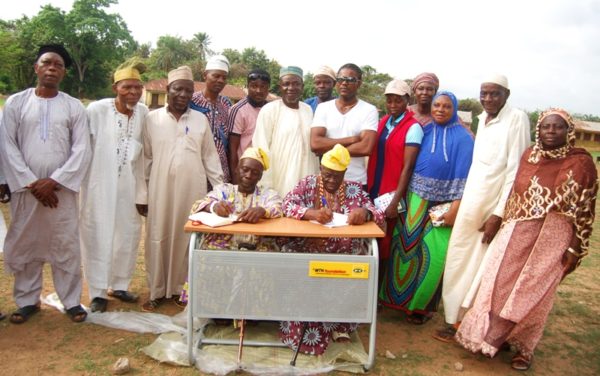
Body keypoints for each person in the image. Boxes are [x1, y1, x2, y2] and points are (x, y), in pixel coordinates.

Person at [456, 109, 597, 371]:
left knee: (535, 292)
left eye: (558, 127)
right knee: (500, 285)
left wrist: (575, 247)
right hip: (518, 231)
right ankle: (491, 339)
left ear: (569, 132)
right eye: (546, 127)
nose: (551, 132)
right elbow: (515, 194)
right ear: (538, 130)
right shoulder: (529, 155)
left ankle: (524, 347)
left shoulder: (582, 163)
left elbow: (585, 209)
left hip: (555, 236)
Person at [434, 74, 530, 341]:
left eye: (494, 93)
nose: (488, 99)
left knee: (481, 268)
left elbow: (515, 171)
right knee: (457, 259)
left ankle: (471, 325)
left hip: (491, 207)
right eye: (484, 93)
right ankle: (453, 320)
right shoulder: (481, 120)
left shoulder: (516, 119)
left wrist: (498, 213)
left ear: (506, 95)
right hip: (470, 202)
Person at [0, 44, 91, 324]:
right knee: (27, 244)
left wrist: (54, 181)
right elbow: (7, 145)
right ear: (36, 68)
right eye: (47, 63)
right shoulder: (16, 103)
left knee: (65, 245)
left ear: (63, 73)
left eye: (58, 65)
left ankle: (72, 301)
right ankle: (27, 301)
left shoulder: (73, 106)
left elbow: (82, 149)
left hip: (59, 193)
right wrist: (30, 182)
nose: (52, 68)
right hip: (26, 192)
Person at [279, 144, 384, 355]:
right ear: (321, 169)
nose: (331, 181)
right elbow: (287, 204)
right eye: (327, 175)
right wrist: (311, 213)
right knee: (302, 274)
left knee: (355, 268)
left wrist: (365, 212)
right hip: (307, 252)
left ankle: (340, 326)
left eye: (337, 177)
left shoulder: (354, 189)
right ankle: (304, 332)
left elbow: (377, 212)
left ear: (344, 173)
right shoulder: (307, 184)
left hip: (343, 255)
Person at [379, 91, 474, 325]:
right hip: (415, 198)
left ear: (454, 110)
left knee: (433, 255)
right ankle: (396, 301)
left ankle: (420, 308)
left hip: (445, 203)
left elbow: (464, 177)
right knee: (405, 249)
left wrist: (455, 207)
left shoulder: (464, 138)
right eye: (437, 106)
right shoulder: (425, 130)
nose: (440, 110)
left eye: (446, 107)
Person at [139, 66, 223, 312]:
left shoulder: (200, 120)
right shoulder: (151, 120)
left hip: (192, 190)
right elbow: (145, 159)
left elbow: (210, 157)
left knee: (186, 239)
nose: (183, 95)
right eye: (178, 89)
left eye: (188, 90)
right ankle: (156, 290)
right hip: (159, 189)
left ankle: (180, 289)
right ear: (168, 90)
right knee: (157, 236)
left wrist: (219, 191)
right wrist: (142, 194)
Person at [79, 59, 149, 313]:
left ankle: (119, 284)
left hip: (129, 185)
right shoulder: (97, 110)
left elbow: (144, 153)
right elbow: (82, 145)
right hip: (99, 183)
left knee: (128, 234)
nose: (133, 92)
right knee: (97, 233)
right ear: (115, 87)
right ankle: (98, 291)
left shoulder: (143, 113)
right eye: (127, 87)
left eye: (137, 88)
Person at [180, 147, 282, 303]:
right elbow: (198, 205)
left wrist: (263, 211)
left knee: (265, 261)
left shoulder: (267, 194)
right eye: (245, 170)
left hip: (255, 244)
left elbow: (278, 208)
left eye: (255, 173)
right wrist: (214, 207)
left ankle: (253, 312)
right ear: (237, 169)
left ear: (260, 176)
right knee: (209, 259)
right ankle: (214, 308)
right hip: (225, 243)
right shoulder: (224, 190)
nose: (249, 175)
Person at [366, 79, 422, 288]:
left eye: (397, 100)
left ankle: (378, 292)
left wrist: (395, 201)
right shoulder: (383, 122)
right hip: (374, 188)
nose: (392, 104)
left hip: (390, 194)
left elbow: (407, 167)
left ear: (407, 100)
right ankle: (367, 286)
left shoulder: (413, 127)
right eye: (389, 100)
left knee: (385, 241)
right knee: (371, 238)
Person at [252, 66, 319, 196]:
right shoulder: (270, 110)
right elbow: (261, 146)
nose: (291, 88)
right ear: (280, 87)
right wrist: (266, 182)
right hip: (280, 176)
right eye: (286, 84)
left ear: (302, 86)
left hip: (307, 172)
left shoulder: (308, 110)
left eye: (296, 84)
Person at [310, 63, 378, 186]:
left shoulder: (369, 110)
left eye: (350, 80)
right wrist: (351, 139)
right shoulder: (323, 108)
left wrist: (328, 151)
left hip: (355, 181)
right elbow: (315, 144)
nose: (344, 83)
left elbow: (366, 147)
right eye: (341, 79)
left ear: (359, 83)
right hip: (326, 180)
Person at [190, 55, 233, 182]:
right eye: (216, 76)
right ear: (205, 75)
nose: (220, 80)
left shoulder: (226, 103)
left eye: (224, 78)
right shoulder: (191, 101)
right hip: (196, 166)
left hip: (221, 169)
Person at [227, 69, 271, 183]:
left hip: (266, 170)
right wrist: (236, 179)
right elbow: (232, 150)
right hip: (246, 173)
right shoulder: (238, 110)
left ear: (268, 88)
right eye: (254, 86)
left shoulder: (271, 110)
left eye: (263, 87)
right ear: (247, 87)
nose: (258, 90)